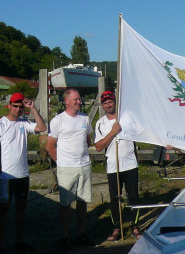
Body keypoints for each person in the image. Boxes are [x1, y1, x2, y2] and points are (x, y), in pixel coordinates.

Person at [0, 92, 47, 253]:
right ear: (9, 106)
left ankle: (20, 241)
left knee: (21, 209)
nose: (18, 109)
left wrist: (32, 108)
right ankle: (0, 244)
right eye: (15, 106)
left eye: (21, 107)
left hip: (22, 175)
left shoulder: (23, 123)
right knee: (3, 210)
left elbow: (42, 127)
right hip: (6, 176)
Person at [46, 88, 94, 250]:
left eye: (80, 99)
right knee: (65, 203)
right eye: (76, 100)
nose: (79, 101)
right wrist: (61, 162)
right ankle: (65, 235)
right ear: (67, 101)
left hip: (84, 165)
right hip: (66, 168)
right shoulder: (58, 121)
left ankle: (81, 233)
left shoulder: (85, 119)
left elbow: (88, 140)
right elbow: (50, 146)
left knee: (82, 201)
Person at [94, 91, 142, 241]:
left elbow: (142, 132)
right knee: (114, 198)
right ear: (102, 105)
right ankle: (117, 227)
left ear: (115, 102)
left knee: (133, 196)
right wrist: (113, 132)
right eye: (105, 103)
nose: (108, 105)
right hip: (113, 166)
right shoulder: (100, 123)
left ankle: (135, 226)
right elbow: (98, 147)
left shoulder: (126, 118)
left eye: (110, 102)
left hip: (130, 164)